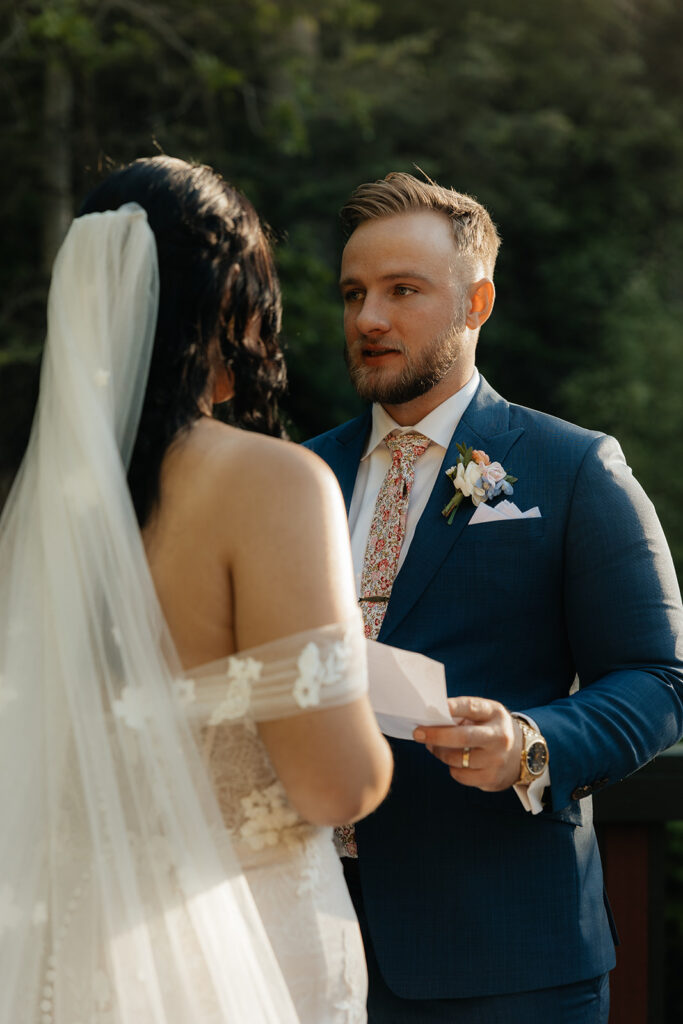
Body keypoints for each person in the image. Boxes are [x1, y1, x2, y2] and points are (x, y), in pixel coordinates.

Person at [0, 156, 392, 1024]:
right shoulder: (271, 483)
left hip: (77, 953)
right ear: (230, 308)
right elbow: (335, 785)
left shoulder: (35, 518)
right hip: (250, 950)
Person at [305, 171, 683, 1023]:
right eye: (354, 293)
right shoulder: (300, 474)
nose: (368, 319)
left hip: (503, 959)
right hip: (303, 940)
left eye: (403, 291)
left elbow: (659, 678)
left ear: (476, 303)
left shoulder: (572, 468)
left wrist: (531, 743)